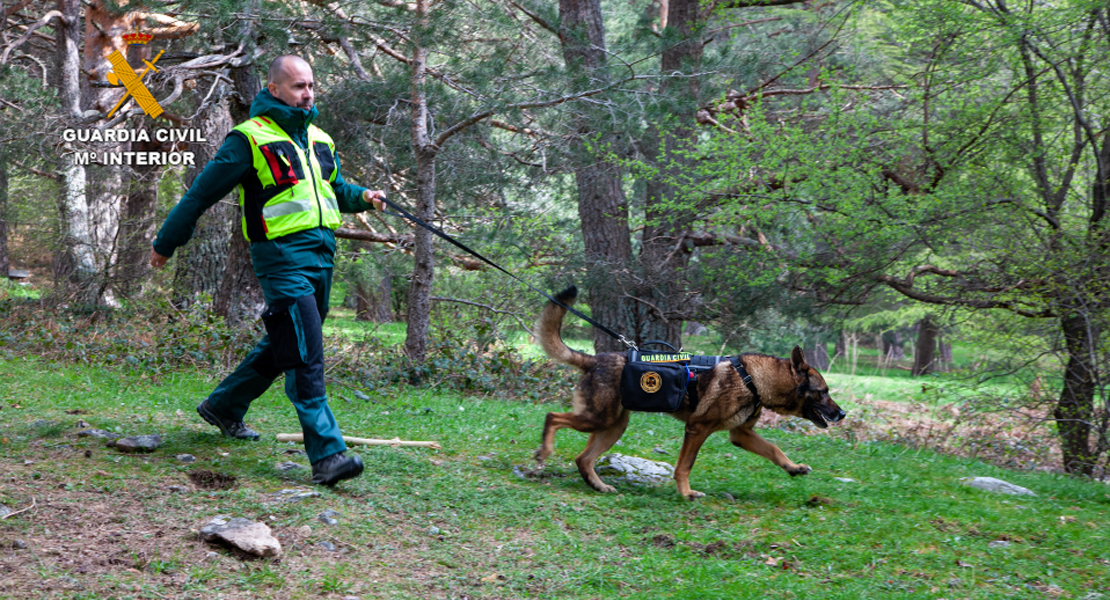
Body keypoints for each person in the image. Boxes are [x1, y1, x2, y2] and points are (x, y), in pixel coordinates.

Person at [150, 55, 385, 487]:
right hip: (280, 257)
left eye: (311, 85)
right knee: (304, 353)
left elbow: (331, 189)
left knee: (289, 340)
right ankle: (328, 454)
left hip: (322, 254)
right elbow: (198, 195)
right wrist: (166, 243)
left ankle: (223, 406)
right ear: (274, 90)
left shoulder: (319, 138)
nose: (308, 93)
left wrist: (364, 195)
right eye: (298, 86)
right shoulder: (248, 139)